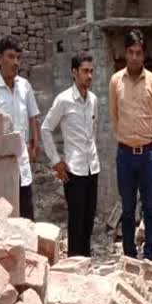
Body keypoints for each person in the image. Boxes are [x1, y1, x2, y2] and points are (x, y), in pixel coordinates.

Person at [109, 29, 152, 261]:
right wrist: (127, 138)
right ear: (125, 54)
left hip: (148, 154)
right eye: (130, 52)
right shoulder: (115, 81)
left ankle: (150, 253)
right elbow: (114, 115)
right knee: (128, 208)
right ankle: (130, 254)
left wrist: (146, 139)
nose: (134, 57)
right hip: (125, 155)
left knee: (151, 207)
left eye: (138, 53)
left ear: (143, 55)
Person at [40, 53, 99, 257]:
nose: (89, 76)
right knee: (76, 222)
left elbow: (93, 132)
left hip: (93, 167)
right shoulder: (63, 100)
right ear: (74, 73)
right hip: (73, 171)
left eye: (91, 71)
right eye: (85, 71)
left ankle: (87, 263)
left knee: (89, 221)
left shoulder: (93, 100)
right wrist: (56, 162)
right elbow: (45, 128)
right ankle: (76, 264)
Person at [0, 35, 40, 220]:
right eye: (11, 57)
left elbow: (32, 115)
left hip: (22, 162)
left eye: (18, 58)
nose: (16, 62)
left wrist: (35, 141)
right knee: (4, 217)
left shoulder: (25, 87)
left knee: (27, 216)